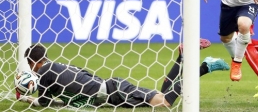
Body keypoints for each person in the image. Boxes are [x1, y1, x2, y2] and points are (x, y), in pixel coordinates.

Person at [16, 41, 229, 108]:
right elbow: (82, 74)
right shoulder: (56, 66)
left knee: (165, 102)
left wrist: (27, 96)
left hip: (113, 91)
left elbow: (44, 102)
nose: (30, 67)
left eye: (29, 63)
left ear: (34, 62)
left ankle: (201, 67)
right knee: (162, 97)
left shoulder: (45, 72)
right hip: (111, 91)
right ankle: (186, 59)